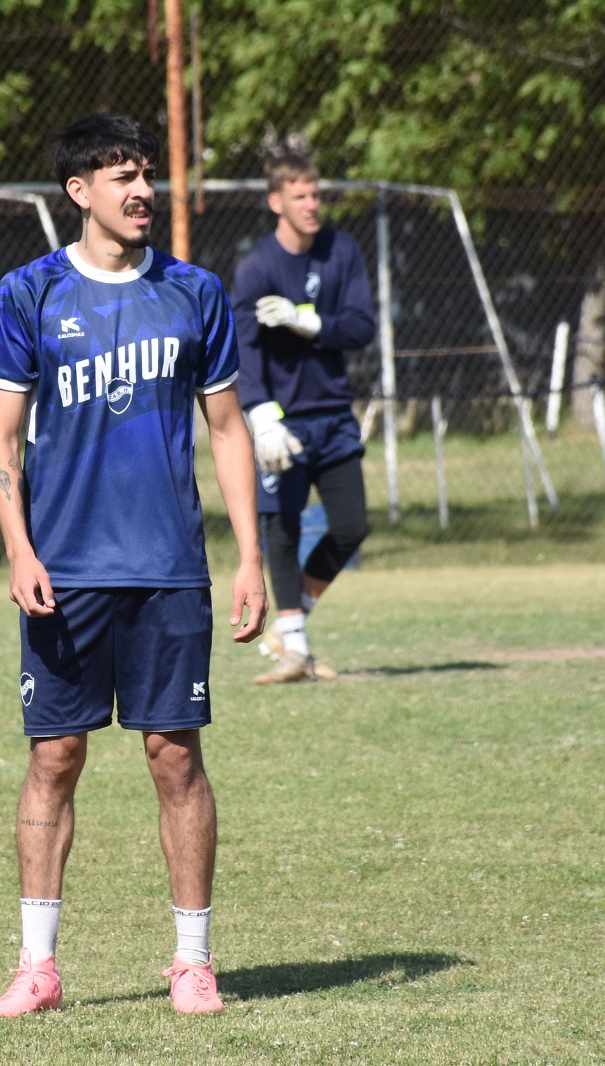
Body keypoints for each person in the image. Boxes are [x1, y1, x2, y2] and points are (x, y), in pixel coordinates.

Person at [0, 113, 268, 1018]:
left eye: (146, 174)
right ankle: (37, 968)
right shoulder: (28, 293)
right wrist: (19, 547)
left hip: (168, 568)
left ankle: (193, 963)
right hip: (63, 571)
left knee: (175, 759)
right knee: (54, 757)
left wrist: (252, 557)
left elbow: (228, 429)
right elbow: (1, 437)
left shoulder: (194, 293)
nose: (143, 191)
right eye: (122, 177)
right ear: (80, 192)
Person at [231, 149, 376, 685]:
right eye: (300, 196)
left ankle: (291, 626)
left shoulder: (343, 251)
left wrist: (308, 322)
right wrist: (260, 416)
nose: (312, 205)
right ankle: (295, 649)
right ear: (277, 202)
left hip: (333, 416)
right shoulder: (257, 268)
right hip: (283, 422)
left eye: (316, 194)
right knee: (282, 528)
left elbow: (361, 327)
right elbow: (244, 350)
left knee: (351, 526)